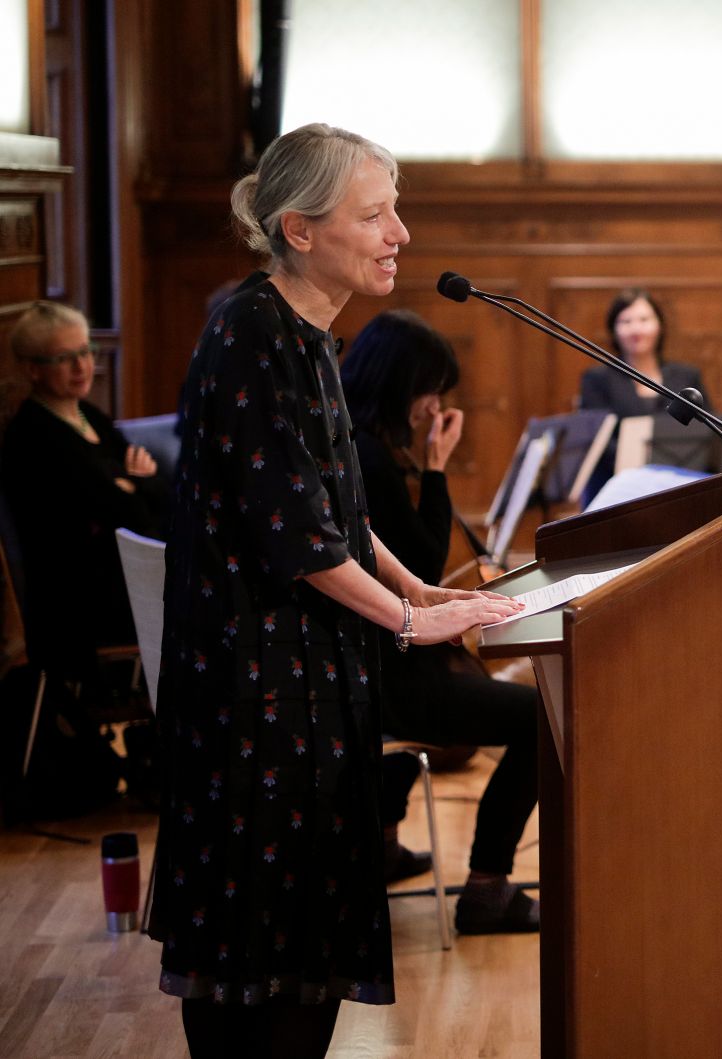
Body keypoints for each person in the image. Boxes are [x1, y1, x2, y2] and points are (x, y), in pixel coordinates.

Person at [147, 123, 524, 1057]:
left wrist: (425, 591)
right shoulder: (251, 333)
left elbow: (343, 516)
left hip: (310, 684)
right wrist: (410, 622)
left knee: (305, 931)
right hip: (256, 695)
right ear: (300, 229)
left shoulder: (311, 333)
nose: (399, 231)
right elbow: (300, 541)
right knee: (259, 946)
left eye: (395, 208)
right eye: (375, 213)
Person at [339, 309, 543, 934]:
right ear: (400, 385)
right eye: (430, 392)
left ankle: (381, 847)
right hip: (388, 671)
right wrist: (435, 467)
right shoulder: (370, 459)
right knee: (545, 721)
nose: (434, 407)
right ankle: (486, 888)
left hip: (372, 663)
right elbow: (425, 561)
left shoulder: (358, 443)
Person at [1, 301, 167, 683]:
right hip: (80, 600)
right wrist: (137, 485)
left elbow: (158, 494)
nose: (82, 367)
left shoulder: (89, 416)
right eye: (65, 358)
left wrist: (134, 486)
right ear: (33, 370)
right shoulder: (34, 435)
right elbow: (133, 515)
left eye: (86, 352)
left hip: (121, 572)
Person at [576, 288, 710, 493]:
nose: (636, 329)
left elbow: (707, 430)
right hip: (620, 490)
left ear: (660, 325)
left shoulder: (686, 376)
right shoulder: (598, 380)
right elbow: (597, 442)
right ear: (613, 329)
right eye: (626, 322)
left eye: (644, 319)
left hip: (681, 485)